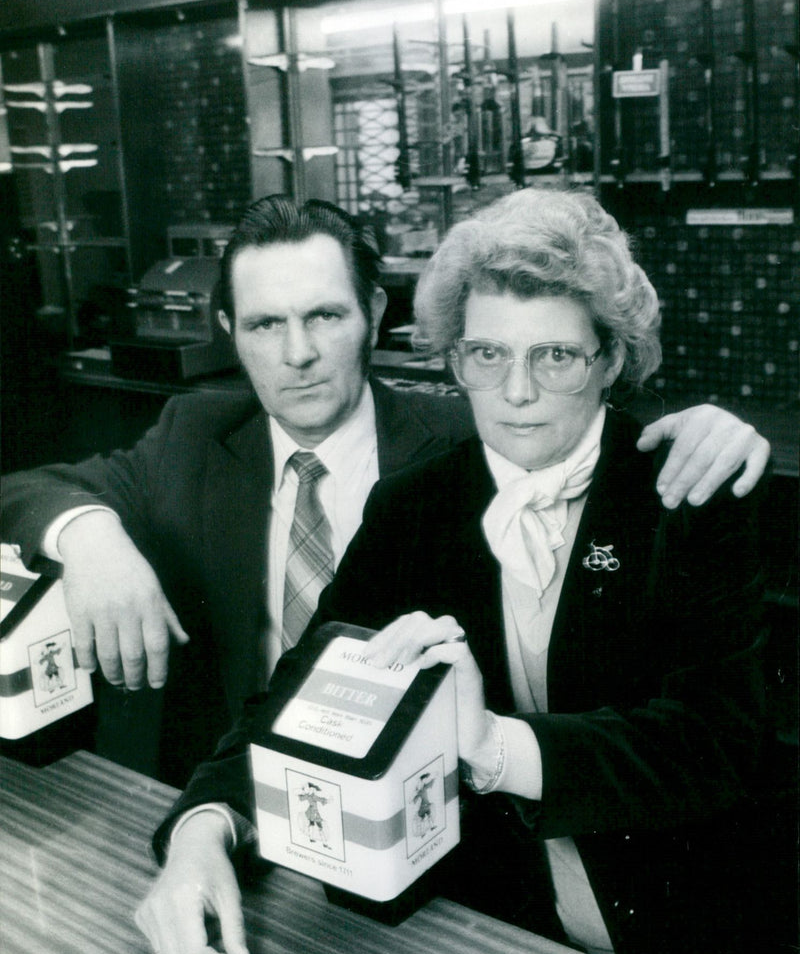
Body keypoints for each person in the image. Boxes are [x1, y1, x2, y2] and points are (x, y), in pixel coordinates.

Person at [135, 189, 773, 954]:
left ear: (610, 358)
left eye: (555, 356)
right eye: (486, 354)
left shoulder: (684, 489)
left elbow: (716, 745)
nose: (515, 393)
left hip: (686, 942)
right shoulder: (416, 505)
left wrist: (491, 743)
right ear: (454, 358)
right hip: (485, 937)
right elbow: (293, 695)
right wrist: (199, 835)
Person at [1, 196, 768, 788]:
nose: (296, 354)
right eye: (266, 325)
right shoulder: (193, 433)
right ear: (230, 331)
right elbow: (28, 489)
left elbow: (574, 419)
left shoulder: (460, 441)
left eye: (325, 315)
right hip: (248, 783)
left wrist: (713, 429)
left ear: (374, 315)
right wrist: (89, 538)